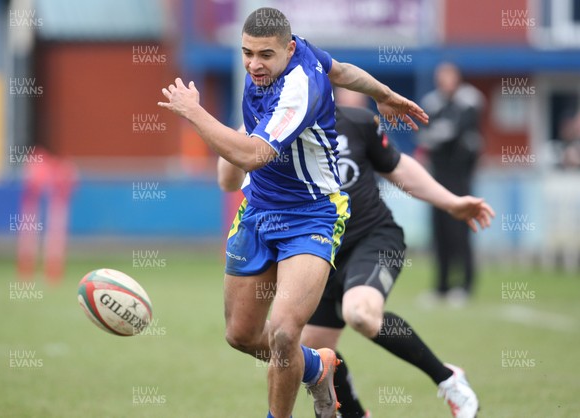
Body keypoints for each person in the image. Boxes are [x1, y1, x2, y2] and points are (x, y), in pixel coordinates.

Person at [158, 7, 428, 418]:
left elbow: (254, 155)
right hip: (258, 212)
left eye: (265, 55)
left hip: (312, 216)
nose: (253, 64)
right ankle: (319, 367)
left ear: (288, 49)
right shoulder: (304, 53)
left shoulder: (298, 89)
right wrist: (383, 93)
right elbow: (342, 71)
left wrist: (194, 111)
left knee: (284, 334)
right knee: (241, 335)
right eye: (247, 53)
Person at [219, 89, 494, 418]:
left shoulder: (355, 122)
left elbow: (398, 166)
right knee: (303, 349)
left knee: (360, 313)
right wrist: (238, 136)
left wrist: (451, 202)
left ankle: (449, 380)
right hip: (314, 254)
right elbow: (228, 180)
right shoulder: (267, 131)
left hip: (371, 238)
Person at [417, 62, 485, 305]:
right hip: (438, 176)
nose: (444, 80)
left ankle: (465, 285)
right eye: (441, 76)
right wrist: (437, 136)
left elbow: (455, 132)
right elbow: (425, 132)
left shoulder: (470, 100)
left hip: (460, 175)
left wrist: (439, 136)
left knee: (461, 230)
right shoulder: (432, 102)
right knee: (440, 232)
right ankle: (442, 287)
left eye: (449, 75)